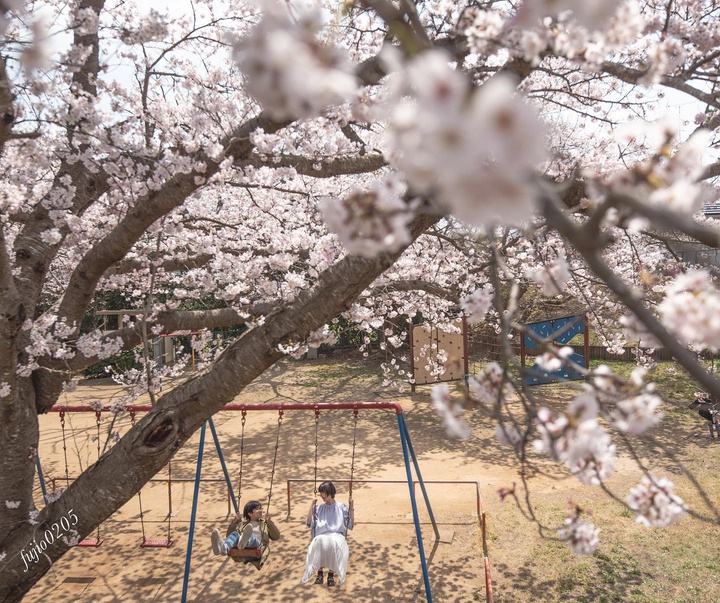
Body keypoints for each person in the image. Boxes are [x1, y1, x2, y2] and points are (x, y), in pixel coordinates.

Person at [302, 481, 354, 587]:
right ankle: (319, 573)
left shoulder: (341, 507)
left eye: (323, 493)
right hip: (322, 535)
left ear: (330, 492)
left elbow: (350, 524)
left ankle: (331, 574)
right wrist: (312, 505)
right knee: (319, 541)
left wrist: (351, 506)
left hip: (336, 535)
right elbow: (309, 523)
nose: (321, 495)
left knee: (333, 543)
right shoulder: (318, 508)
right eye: (320, 493)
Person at [210, 500, 280, 557]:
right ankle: (224, 548)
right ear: (250, 514)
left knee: (250, 536)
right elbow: (229, 536)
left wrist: (269, 523)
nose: (260, 510)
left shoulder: (265, 524)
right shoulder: (242, 524)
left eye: (261, 509)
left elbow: (276, 537)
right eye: (257, 509)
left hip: (256, 544)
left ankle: (244, 541)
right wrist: (234, 522)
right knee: (235, 534)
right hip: (240, 545)